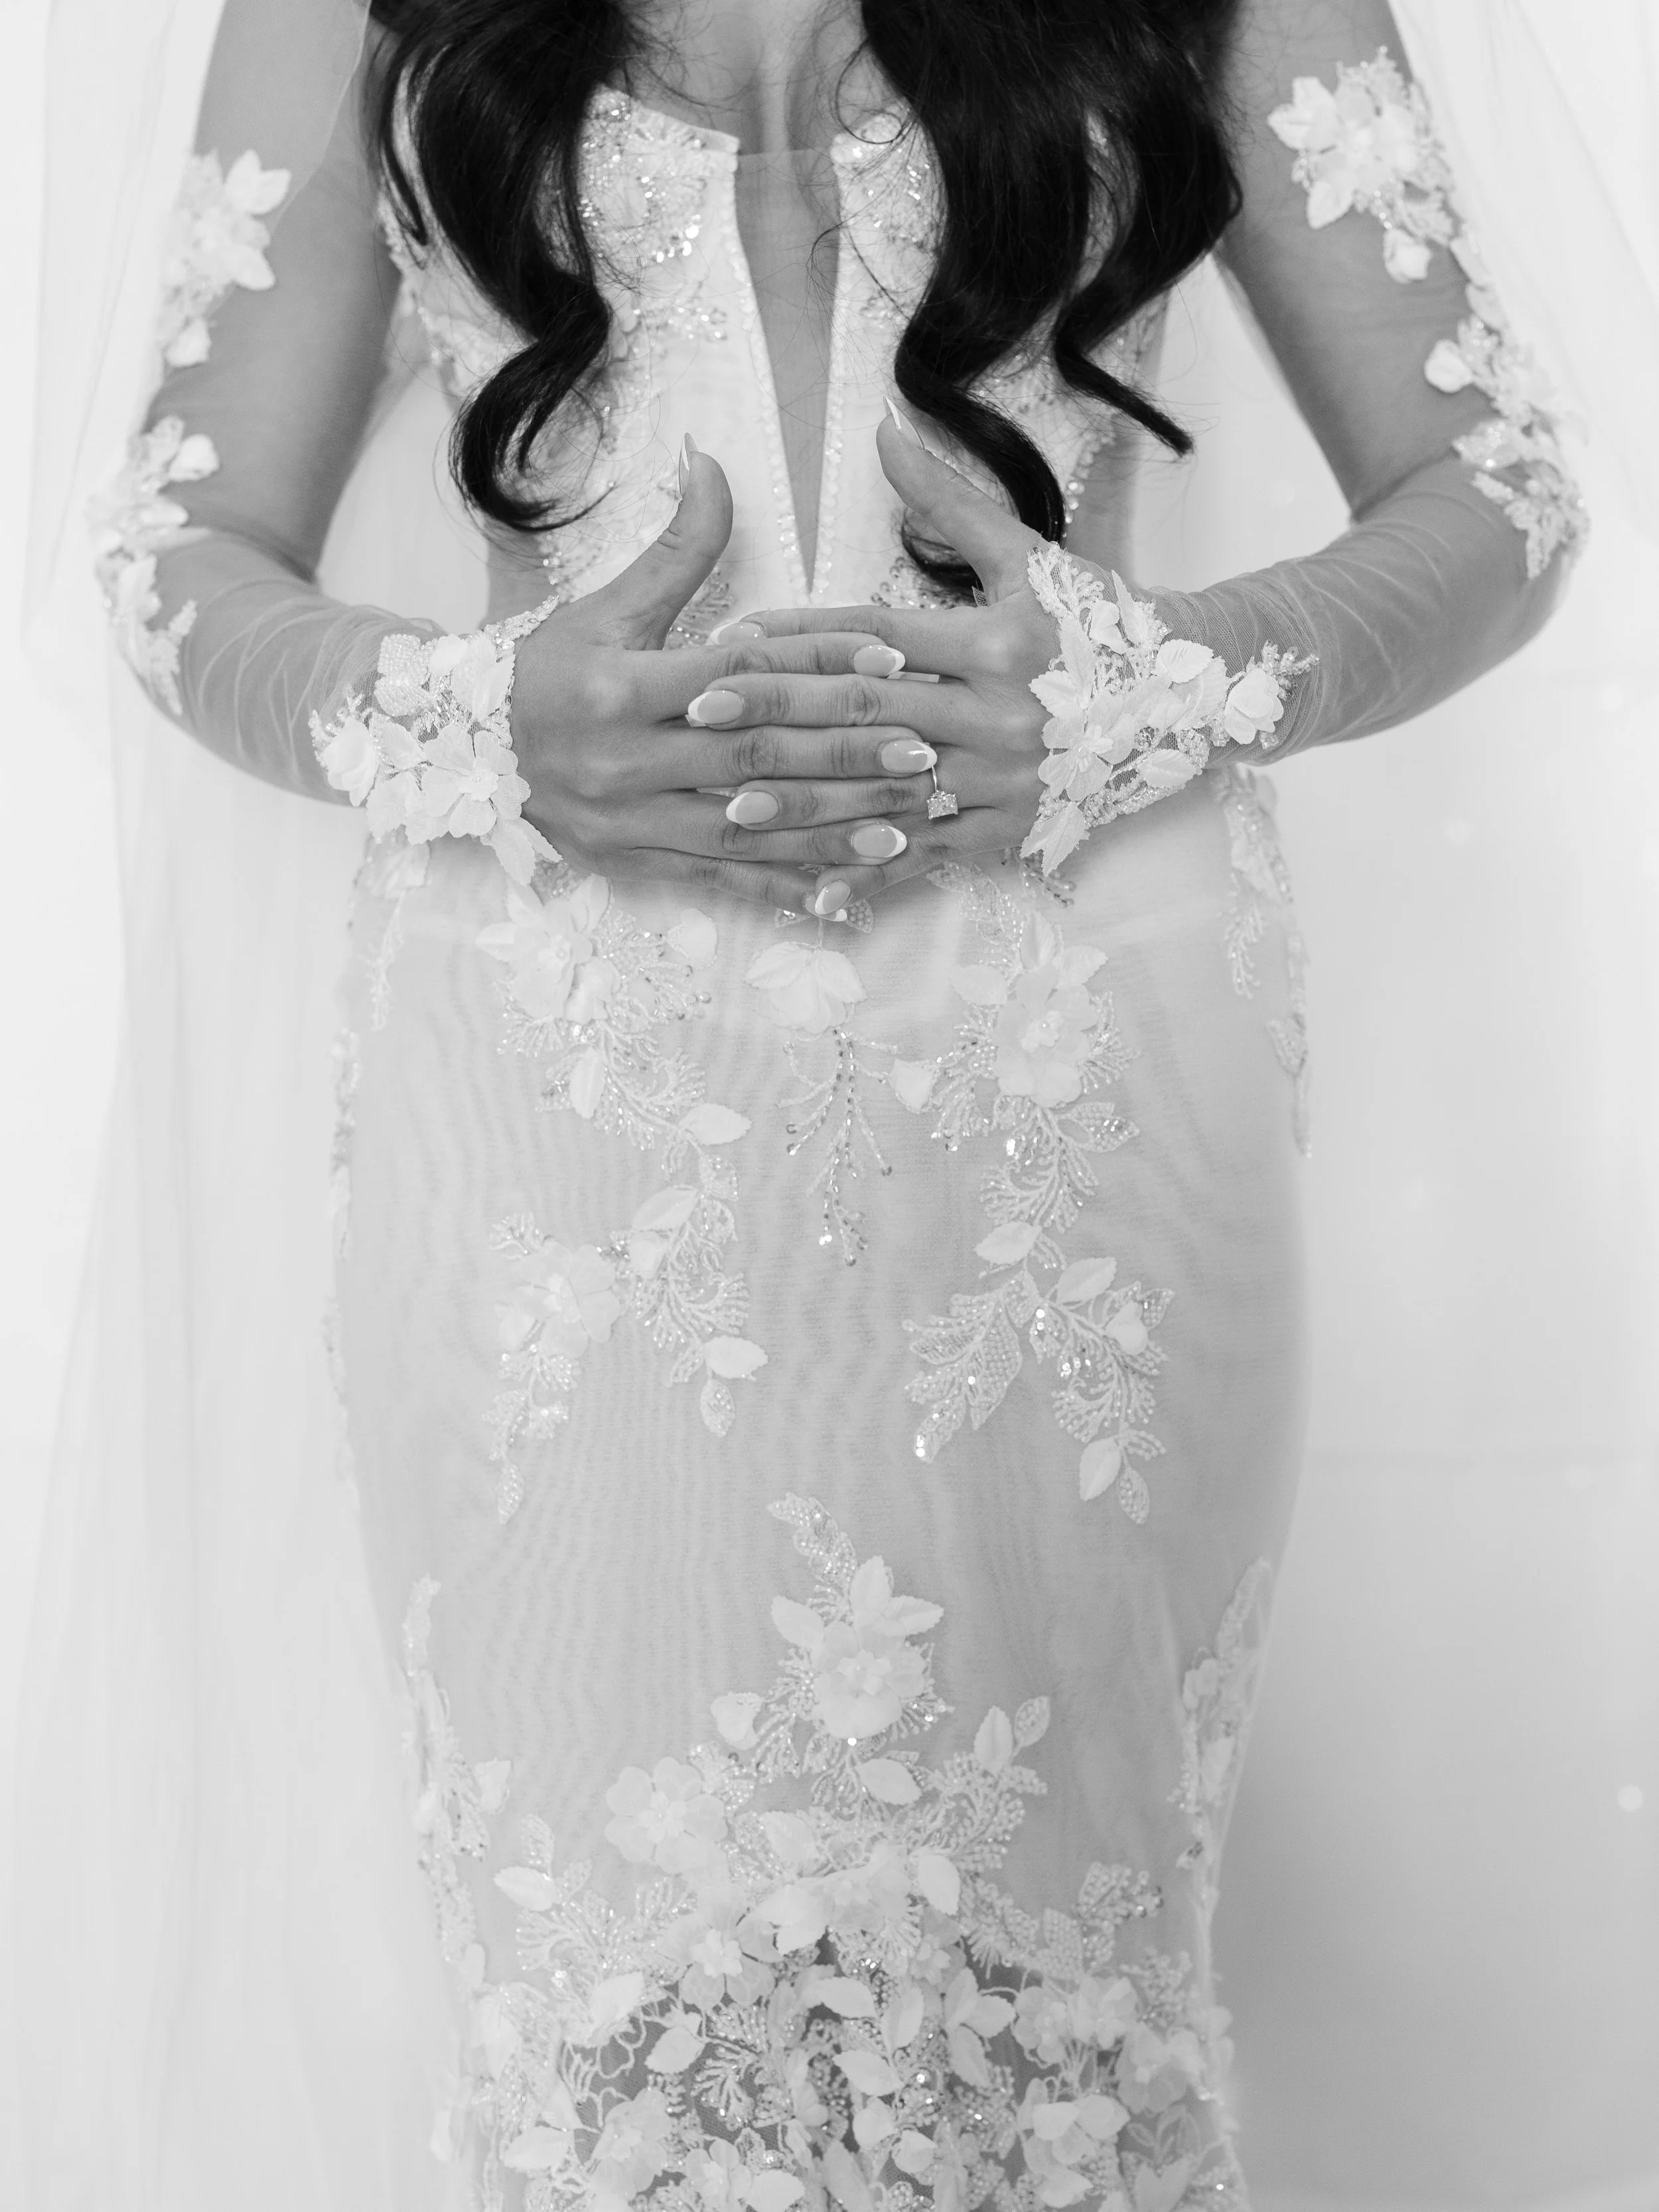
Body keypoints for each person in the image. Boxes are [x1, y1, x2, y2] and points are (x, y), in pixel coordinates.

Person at [25, 0, 1589, 2205]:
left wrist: (1154, 687)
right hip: (560, 1101)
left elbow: (1496, 492)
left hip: (1072, 1080)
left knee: (1061, 2018)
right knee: (611, 2034)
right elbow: (174, 550)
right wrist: (478, 719)